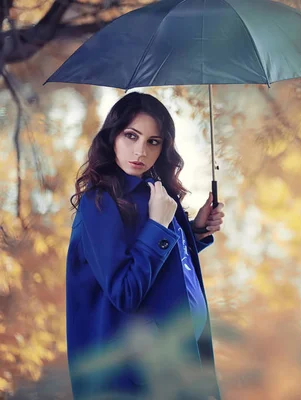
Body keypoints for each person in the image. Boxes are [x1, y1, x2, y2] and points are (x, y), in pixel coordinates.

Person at [65, 92, 224, 400]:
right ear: (112, 137)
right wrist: (157, 227)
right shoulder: (100, 203)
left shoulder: (157, 195)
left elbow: (154, 266)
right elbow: (125, 291)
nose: (140, 151)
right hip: (137, 377)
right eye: (131, 136)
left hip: (183, 364)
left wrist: (195, 232)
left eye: (153, 141)